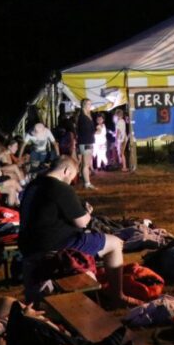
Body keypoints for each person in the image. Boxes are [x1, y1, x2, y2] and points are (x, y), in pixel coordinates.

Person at [18, 156, 138, 307]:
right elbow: (82, 222)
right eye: (72, 176)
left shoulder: (33, 185)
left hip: (28, 245)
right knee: (115, 243)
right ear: (66, 170)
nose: (71, 181)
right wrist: (87, 213)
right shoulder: (60, 187)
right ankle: (117, 296)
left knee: (93, 239)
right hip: (54, 245)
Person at [75, 99, 97, 189]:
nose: (90, 106)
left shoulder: (87, 116)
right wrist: (95, 131)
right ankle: (87, 183)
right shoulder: (83, 117)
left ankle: (86, 182)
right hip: (85, 142)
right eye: (89, 104)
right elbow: (86, 131)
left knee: (86, 163)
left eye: (90, 104)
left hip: (88, 141)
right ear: (84, 105)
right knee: (86, 164)